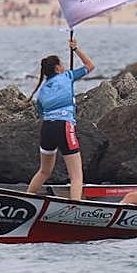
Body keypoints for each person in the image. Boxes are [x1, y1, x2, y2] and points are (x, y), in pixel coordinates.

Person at [27, 39, 94, 201]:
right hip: (64, 127)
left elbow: (41, 113)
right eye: (62, 64)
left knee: (44, 171)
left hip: (47, 129)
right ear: (58, 68)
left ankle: (28, 197)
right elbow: (90, 66)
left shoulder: (42, 91)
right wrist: (76, 48)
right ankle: (75, 206)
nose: (64, 66)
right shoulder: (67, 76)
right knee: (77, 176)